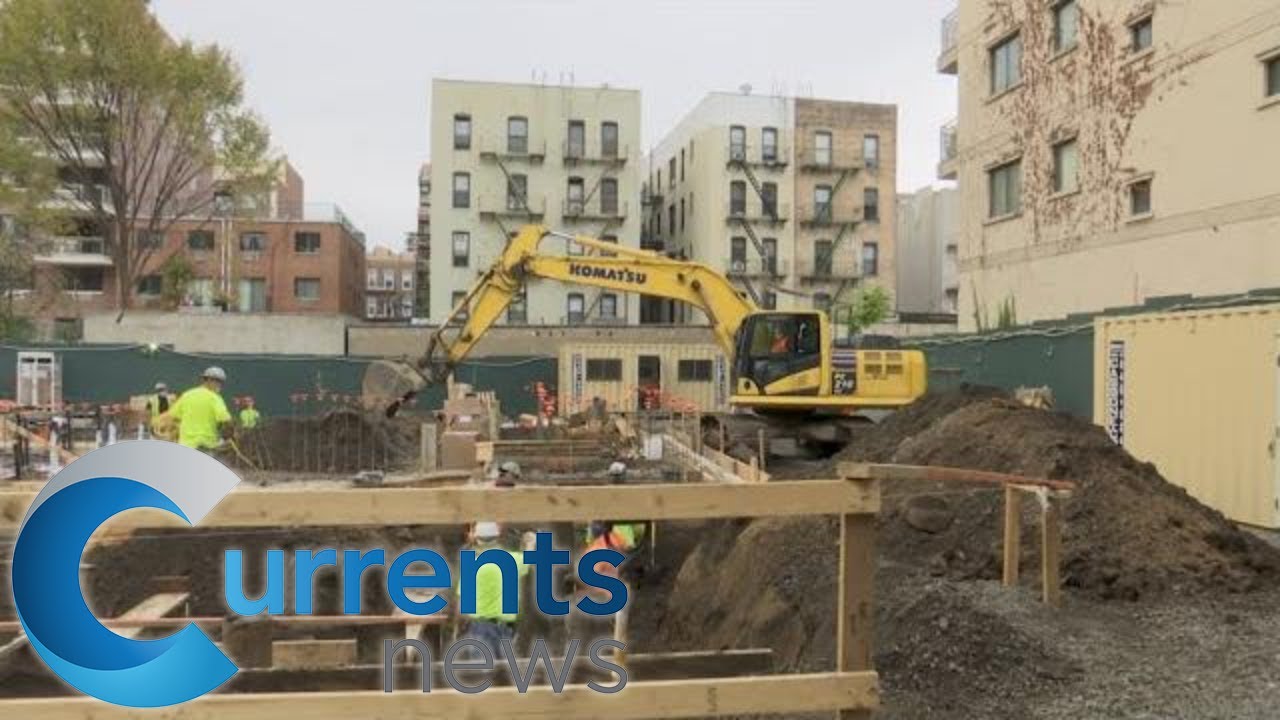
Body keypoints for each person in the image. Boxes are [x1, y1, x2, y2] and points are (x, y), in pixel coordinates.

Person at [456, 521, 533, 661]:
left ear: (477, 539)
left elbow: (462, 605)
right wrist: (529, 542)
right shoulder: (513, 560)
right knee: (507, 677)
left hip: (479, 629)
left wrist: (460, 627)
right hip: (505, 629)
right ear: (498, 537)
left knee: (482, 676)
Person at [167, 367, 233, 451]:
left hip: (185, 446)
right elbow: (226, 420)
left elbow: (174, 416)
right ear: (209, 380)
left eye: (221, 382)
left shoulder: (187, 395)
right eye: (218, 382)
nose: (220, 385)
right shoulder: (215, 398)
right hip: (206, 445)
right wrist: (228, 438)